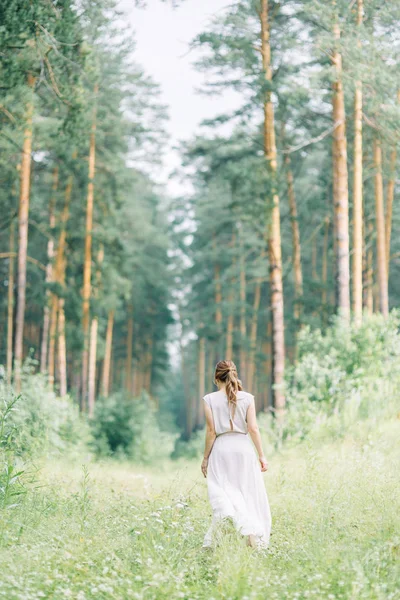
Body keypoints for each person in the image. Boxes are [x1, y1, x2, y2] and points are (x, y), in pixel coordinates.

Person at [201, 359, 272, 549]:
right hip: (243, 449)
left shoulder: (209, 399)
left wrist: (205, 458)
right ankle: (251, 536)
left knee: (223, 492)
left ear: (217, 377)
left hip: (221, 450)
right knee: (246, 493)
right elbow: (253, 428)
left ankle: (231, 530)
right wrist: (262, 455)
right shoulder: (248, 398)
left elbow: (211, 432)